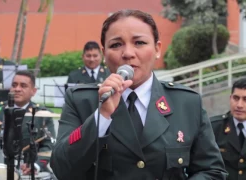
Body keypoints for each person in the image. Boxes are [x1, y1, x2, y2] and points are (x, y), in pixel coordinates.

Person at [50, 9, 227, 180]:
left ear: (157, 49)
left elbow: (212, 171)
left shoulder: (187, 103)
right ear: (104, 54)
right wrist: (101, 116)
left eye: (139, 43)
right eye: (116, 45)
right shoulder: (82, 101)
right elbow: (62, 169)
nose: (127, 53)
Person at [0, 70, 56, 174]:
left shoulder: (43, 115)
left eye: (23, 86)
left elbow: (49, 146)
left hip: (30, 169)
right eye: (14, 85)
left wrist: (35, 165)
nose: (17, 89)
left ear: (33, 91)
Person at [210, 78, 246, 180]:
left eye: (245, 99)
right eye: (236, 98)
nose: (239, 105)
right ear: (230, 98)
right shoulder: (213, 127)